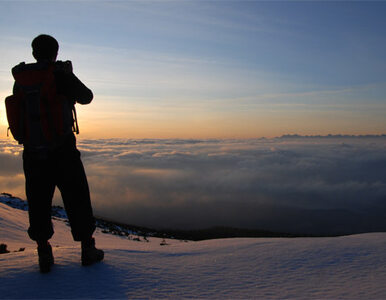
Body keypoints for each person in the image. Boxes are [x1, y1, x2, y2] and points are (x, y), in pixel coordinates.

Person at [11, 34, 103, 273]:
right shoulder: (59, 74)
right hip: (63, 151)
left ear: (33, 53)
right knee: (77, 198)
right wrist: (66, 74)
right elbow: (87, 97)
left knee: (38, 201)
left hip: (32, 153)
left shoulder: (21, 79)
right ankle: (87, 250)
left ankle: (44, 253)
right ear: (56, 52)